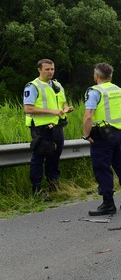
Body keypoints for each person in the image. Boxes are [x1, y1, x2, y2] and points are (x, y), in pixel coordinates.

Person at [82, 62, 121, 216]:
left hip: (102, 135)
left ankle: (108, 203)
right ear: (110, 76)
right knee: (120, 165)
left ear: (96, 75)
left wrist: (86, 135)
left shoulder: (94, 91)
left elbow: (88, 116)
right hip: (120, 133)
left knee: (102, 168)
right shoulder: (120, 91)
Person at [23, 59, 74, 199]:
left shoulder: (57, 85)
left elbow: (63, 102)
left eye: (52, 69)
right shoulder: (33, 86)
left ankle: (54, 187)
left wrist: (65, 109)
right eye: (47, 69)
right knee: (38, 158)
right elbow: (28, 108)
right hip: (41, 128)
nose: (50, 71)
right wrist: (52, 111)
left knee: (55, 156)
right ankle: (37, 190)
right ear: (39, 70)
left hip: (57, 126)